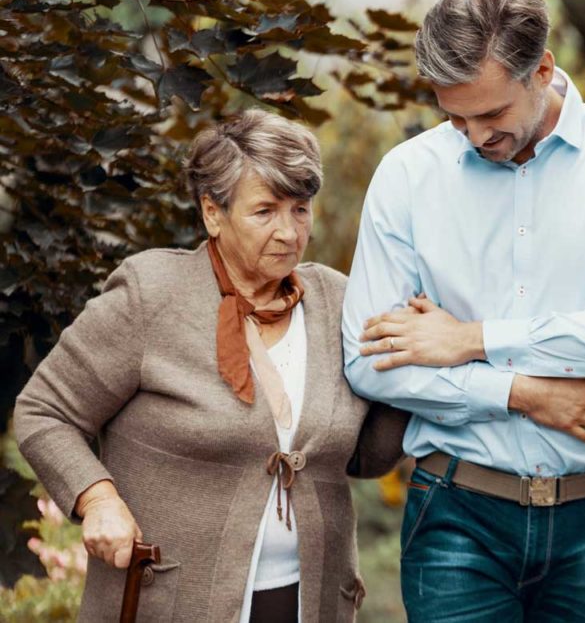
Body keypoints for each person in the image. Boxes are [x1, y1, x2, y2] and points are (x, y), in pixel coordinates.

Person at [342, 0, 585, 622]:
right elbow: (369, 359)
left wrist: (472, 339)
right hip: (456, 512)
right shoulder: (409, 175)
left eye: (492, 115)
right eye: (455, 117)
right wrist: (521, 393)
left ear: (543, 70)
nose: (474, 136)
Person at [14, 109, 409, 623]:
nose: (289, 232)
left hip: (310, 603)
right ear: (212, 213)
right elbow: (45, 411)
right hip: (171, 603)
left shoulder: (337, 300)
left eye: (300, 209)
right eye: (265, 211)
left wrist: (407, 370)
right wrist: (97, 498)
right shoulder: (150, 295)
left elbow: (364, 457)